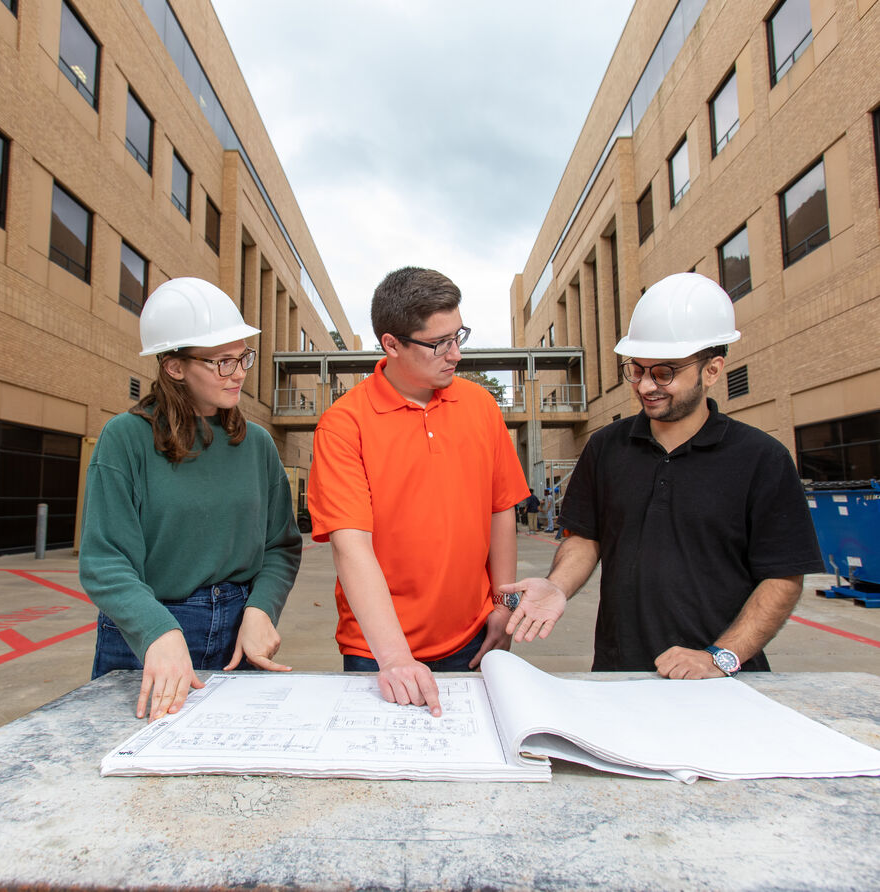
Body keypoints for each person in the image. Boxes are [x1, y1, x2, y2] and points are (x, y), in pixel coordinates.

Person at [501, 273, 824, 678]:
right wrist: (557, 585)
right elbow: (586, 537)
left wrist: (719, 657)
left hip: (725, 683)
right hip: (621, 674)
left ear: (712, 370)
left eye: (665, 373)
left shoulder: (762, 459)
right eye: (636, 370)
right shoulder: (605, 448)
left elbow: (783, 577)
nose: (646, 386)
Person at [307, 267, 530, 716]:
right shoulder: (344, 425)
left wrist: (504, 606)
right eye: (438, 344)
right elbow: (351, 547)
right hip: (378, 651)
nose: (456, 354)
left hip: (474, 637)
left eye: (459, 335)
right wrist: (393, 658)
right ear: (391, 344)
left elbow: (500, 508)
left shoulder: (481, 406)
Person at [79, 277, 302, 720]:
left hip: (239, 631)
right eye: (221, 362)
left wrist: (261, 608)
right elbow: (105, 560)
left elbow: (281, 545)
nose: (238, 372)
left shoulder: (257, 445)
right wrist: (156, 630)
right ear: (174, 366)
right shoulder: (125, 439)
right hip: (148, 634)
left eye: (243, 357)